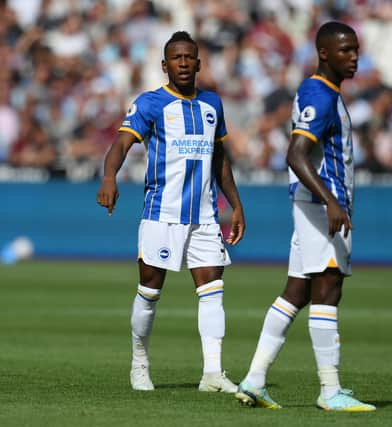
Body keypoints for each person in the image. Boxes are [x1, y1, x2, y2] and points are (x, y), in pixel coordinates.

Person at [235, 21, 375, 412]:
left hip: (311, 205)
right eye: (345, 50)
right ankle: (330, 391)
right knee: (328, 290)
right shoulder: (320, 94)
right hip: (320, 208)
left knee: (295, 292)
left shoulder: (324, 92)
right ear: (324, 53)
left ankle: (254, 379)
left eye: (356, 49)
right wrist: (331, 201)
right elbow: (296, 154)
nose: (353, 57)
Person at [96, 31, 245, 392]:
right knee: (149, 290)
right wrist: (109, 177)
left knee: (213, 288)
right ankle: (140, 363)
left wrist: (236, 205)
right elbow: (121, 144)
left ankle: (212, 374)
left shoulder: (213, 104)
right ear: (165, 65)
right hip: (161, 213)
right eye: (175, 58)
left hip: (205, 216)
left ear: (198, 62)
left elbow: (220, 161)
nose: (182, 63)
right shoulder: (150, 104)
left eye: (188, 57)